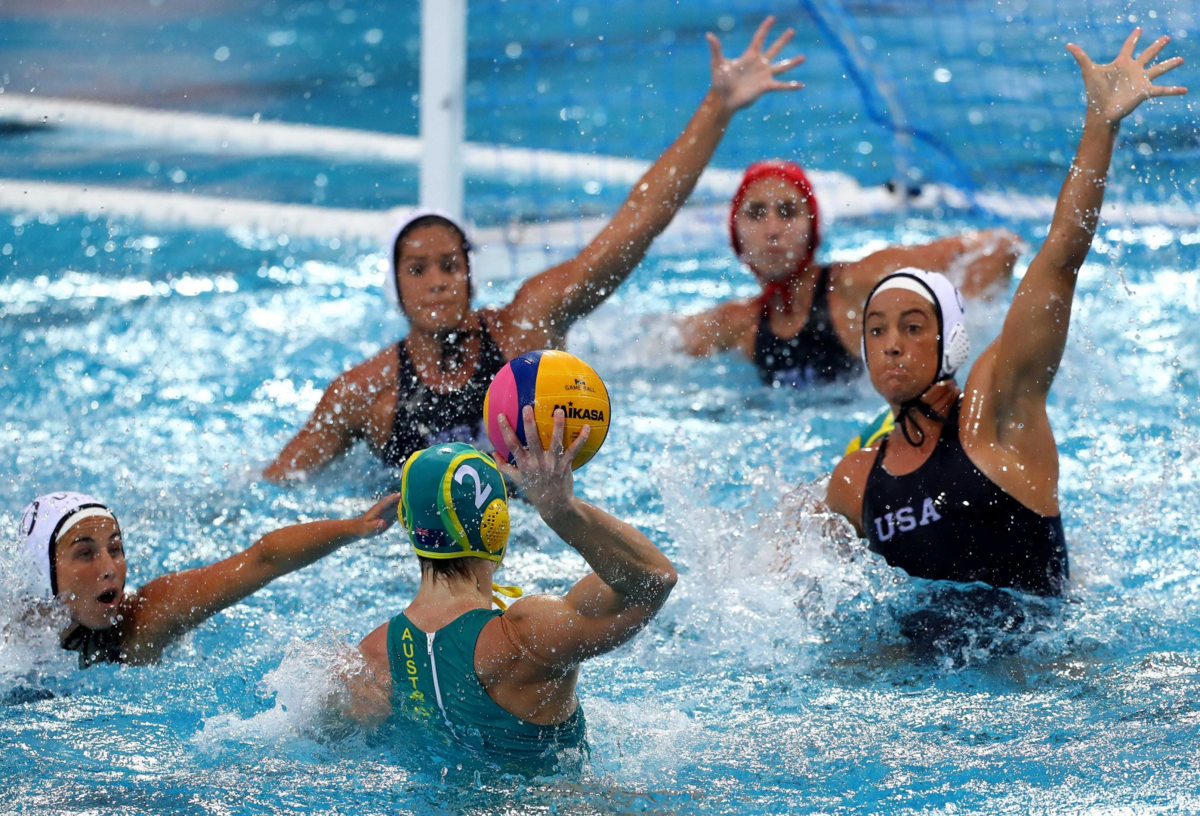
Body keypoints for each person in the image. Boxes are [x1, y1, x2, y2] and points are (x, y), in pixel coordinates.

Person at [265, 17, 807, 481]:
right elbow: (278, 486)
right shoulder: (365, 392)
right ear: (395, 285)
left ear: (471, 276)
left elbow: (635, 226)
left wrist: (718, 106)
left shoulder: (525, 330)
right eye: (418, 269)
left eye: (451, 265)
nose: (438, 281)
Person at [823, 30, 1185, 596]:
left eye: (913, 327)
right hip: (914, 681)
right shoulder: (855, 481)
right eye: (876, 331)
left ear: (951, 343)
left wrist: (1101, 123)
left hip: (1044, 673)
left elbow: (1061, 256)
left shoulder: (999, 412)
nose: (891, 344)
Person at [346, 408, 677, 761]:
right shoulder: (528, 636)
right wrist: (564, 512)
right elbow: (653, 579)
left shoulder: (371, 657)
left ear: (406, 522)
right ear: (497, 526)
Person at [679, 160, 1024, 388]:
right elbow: (651, 352)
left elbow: (997, 247)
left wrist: (957, 347)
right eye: (755, 214)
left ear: (812, 227)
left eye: (787, 212)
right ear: (735, 233)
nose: (772, 229)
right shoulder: (739, 323)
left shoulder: (857, 285)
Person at [14, 490, 401, 666]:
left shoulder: (144, 618)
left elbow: (261, 559)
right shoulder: (12, 645)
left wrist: (353, 528)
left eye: (115, 547)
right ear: (42, 572)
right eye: (85, 553)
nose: (109, 567)